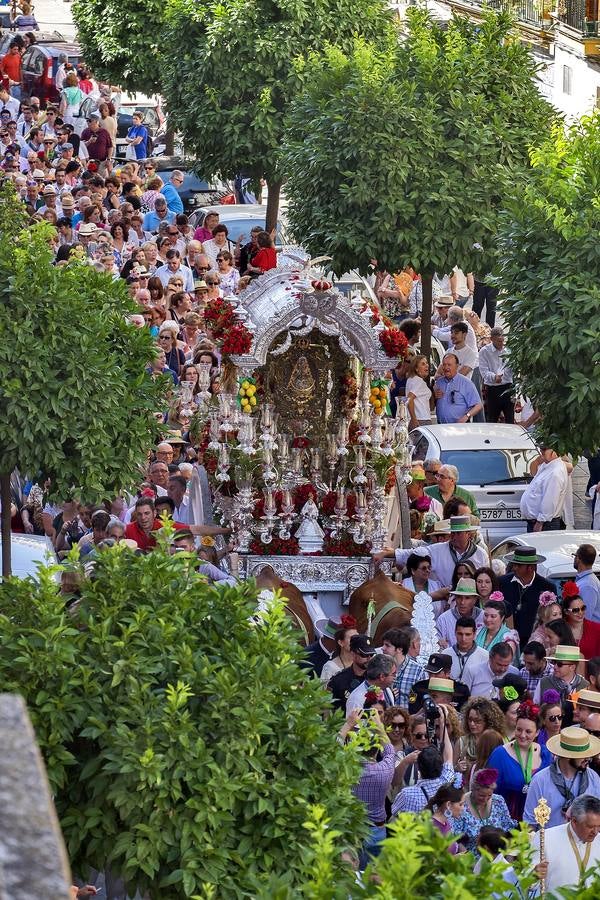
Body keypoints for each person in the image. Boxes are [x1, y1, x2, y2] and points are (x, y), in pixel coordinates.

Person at [379, 515, 489, 591]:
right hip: (443, 600)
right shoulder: (438, 550)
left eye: (458, 533)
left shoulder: (481, 554)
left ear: (468, 534)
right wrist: (391, 553)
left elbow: (485, 579)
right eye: (452, 533)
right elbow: (414, 554)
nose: (453, 536)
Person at [524, 724, 600, 829]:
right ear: (568, 756)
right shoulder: (540, 780)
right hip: (550, 843)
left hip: (584, 843)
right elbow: (530, 824)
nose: (588, 758)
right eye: (583, 755)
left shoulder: (594, 778)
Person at [487, 700, 552, 820]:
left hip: (538, 821)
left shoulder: (546, 754)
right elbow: (488, 791)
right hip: (506, 822)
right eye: (519, 729)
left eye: (528, 731)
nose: (522, 735)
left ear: (537, 732)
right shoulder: (500, 755)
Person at [348, 707, 395, 869]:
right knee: (376, 880)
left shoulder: (348, 770)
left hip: (355, 831)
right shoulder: (385, 769)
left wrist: (348, 724)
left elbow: (333, 749)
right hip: (378, 829)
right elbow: (390, 750)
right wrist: (379, 725)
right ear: (377, 749)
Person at [392, 706, 454, 815]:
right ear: (411, 735)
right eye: (419, 736)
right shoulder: (402, 756)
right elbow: (394, 781)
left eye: (427, 735)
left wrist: (442, 724)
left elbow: (394, 811)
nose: (424, 739)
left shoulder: (407, 794)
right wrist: (405, 762)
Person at [531, 795, 600, 893]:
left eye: (599, 826)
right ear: (574, 821)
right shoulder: (546, 839)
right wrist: (534, 875)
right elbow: (528, 884)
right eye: (590, 826)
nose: (596, 832)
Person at [499, 546, 555, 645]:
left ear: (531, 568)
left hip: (534, 643)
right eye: (513, 564)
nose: (514, 568)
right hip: (506, 641)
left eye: (518, 565)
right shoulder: (503, 582)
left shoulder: (547, 587)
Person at [450, 768, 515, 854]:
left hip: (498, 856)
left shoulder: (498, 801)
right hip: (471, 857)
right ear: (472, 789)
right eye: (481, 795)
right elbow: (457, 840)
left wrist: (507, 857)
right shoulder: (461, 805)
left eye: (489, 795)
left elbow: (508, 831)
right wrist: (467, 860)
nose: (485, 799)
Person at [520, 444, 569, 532]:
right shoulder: (548, 466)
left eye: (544, 449)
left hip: (545, 524)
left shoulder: (555, 472)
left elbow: (550, 500)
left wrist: (540, 522)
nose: (541, 452)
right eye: (540, 448)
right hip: (538, 522)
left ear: (554, 451)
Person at [455, 698, 506, 783]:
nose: (472, 724)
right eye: (469, 719)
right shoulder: (461, 741)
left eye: (477, 721)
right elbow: (451, 770)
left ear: (488, 721)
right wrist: (457, 768)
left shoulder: (496, 740)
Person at [328, 634, 376, 714]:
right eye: (364, 655)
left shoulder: (376, 679)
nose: (369, 658)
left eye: (371, 655)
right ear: (353, 654)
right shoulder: (338, 680)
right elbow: (329, 710)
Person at [477, 326, 514, 424]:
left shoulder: (508, 350)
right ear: (492, 339)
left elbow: (512, 369)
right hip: (493, 389)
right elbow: (483, 371)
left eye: (502, 341)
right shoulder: (485, 351)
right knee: (492, 419)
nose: (501, 344)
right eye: (498, 341)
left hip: (507, 387)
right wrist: (494, 377)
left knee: (509, 418)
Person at [433, 353, 482, 424]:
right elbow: (432, 404)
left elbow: (478, 405)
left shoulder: (466, 383)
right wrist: (434, 395)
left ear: (457, 366)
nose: (446, 367)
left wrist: (466, 416)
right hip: (441, 426)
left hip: (460, 427)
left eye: (449, 365)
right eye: (444, 364)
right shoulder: (439, 382)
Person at [436, 577, 485, 647]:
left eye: (467, 598)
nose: (462, 602)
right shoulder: (444, 619)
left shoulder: (484, 617)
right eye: (459, 597)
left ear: (475, 599)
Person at [446, 616, 490, 692]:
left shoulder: (485, 656)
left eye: (468, 634)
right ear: (455, 633)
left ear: (474, 634)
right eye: (460, 634)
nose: (463, 639)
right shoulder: (446, 654)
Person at [387, 628, 425, 708]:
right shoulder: (381, 667)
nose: (382, 648)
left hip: (409, 719)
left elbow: (422, 701)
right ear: (414, 644)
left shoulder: (418, 671)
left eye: (387, 645)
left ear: (399, 649)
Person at [561, 581, 600, 659]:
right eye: (576, 610)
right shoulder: (560, 629)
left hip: (591, 670)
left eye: (583, 608)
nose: (581, 613)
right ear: (566, 612)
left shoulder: (597, 628)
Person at [319, 616, 359, 684]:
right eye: (351, 638)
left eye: (357, 637)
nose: (356, 641)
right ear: (341, 642)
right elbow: (323, 693)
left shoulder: (362, 662)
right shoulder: (330, 668)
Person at [426, 784, 464, 853]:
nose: (463, 808)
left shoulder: (446, 822)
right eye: (460, 804)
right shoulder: (432, 827)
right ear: (448, 805)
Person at [574, 544, 600, 624]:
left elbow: (584, 618)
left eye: (575, 556)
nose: (574, 559)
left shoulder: (588, 585)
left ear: (578, 558)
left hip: (589, 634)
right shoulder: (586, 581)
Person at [405, 354, 432, 428]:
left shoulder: (410, 379)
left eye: (426, 363)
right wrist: (414, 419)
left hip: (415, 419)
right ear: (416, 369)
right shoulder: (418, 381)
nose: (427, 365)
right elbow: (409, 399)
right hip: (422, 420)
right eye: (423, 364)